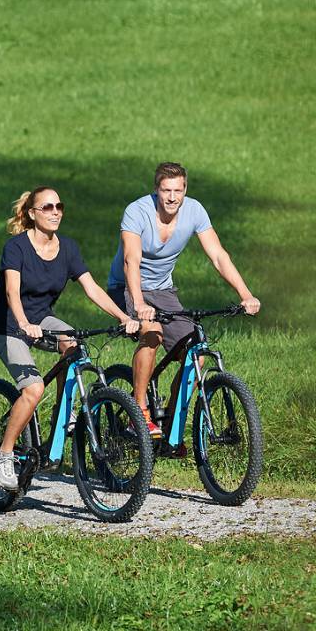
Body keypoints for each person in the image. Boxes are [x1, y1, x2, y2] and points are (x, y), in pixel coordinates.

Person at [0, 186, 140, 491]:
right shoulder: (16, 248)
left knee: (75, 347)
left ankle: (62, 417)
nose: (55, 212)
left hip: (41, 318)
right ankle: (3, 455)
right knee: (32, 389)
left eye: (59, 206)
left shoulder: (67, 248)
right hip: (7, 324)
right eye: (47, 207)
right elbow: (11, 292)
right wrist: (23, 323)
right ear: (32, 214)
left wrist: (123, 317)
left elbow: (92, 288)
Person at [106, 162, 260, 435]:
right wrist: (139, 304)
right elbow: (132, 260)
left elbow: (218, 256)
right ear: (156, 190)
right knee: (151, 333)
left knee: (196, 353)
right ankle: (138, 412)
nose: (172, 197)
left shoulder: (194, 211)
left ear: (185, 189)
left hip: (164, 291)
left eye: (178, 190)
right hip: (127, 287)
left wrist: (245, 294)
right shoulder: (137, 211)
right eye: (166, 190)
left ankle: (172, 425)